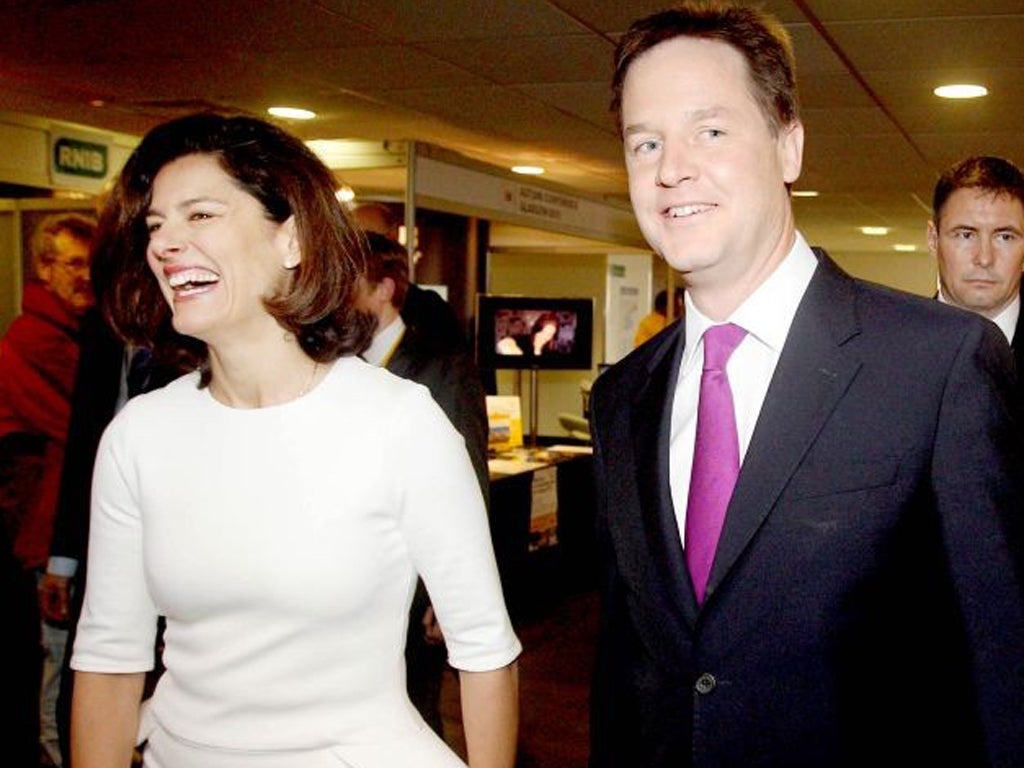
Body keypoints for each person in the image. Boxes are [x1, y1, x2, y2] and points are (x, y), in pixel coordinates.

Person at [589, 4, 1024, 767]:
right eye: (645, 142)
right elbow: (628, 666)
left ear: (788, 145)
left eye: (710, 131)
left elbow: (1000, 664)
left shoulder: (937, 365)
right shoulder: (624, 396)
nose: (670, 168)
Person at [70, 113, 520, 768]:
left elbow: (484, 654)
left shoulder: (398, 423)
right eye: (155, 226)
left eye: (200, 216)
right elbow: (110, 661)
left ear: (292, 239)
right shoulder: (140, 435)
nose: (167, 244)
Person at [361, 231, 491, 738]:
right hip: (357, 581)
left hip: (417, 582)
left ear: (383, 289)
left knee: (414, 710)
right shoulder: (331, 365)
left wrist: (450, 589)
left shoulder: (443, 366)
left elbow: (470, 479)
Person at [0, 210, 95, 767]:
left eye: (91, 265)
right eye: (74, 264)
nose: (85, 277)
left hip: (62, 523)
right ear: (44, 268)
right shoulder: (35, 340)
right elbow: (80, 434)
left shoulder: (74, 335)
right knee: (60, 652)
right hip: (47, 527)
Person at [929, 155, 1024, 375]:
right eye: (965, 235)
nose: (984, 259)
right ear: (933, 240)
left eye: (1005, 237)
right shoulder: (891, 358)